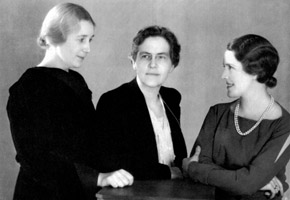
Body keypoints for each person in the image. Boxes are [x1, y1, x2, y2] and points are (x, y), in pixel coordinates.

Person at [6, 3, 133, 200]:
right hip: (43, 194)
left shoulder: (76, 81)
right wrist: (97, 178)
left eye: (90, 40)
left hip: (79, 191)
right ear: (55, 37)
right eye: (81, 39)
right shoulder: (28, 86)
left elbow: (93, 143)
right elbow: (35, 156)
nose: (88, 48)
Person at [182, 34, 290, 200]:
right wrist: (250, 181)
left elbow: (197, 168)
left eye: (230, 68)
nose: (223, 75)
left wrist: (192, 168)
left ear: (255, 71)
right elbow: (246, 183)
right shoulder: (216, 113)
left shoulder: (284, 125)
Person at [94, 25, 187, 180]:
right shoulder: (113, 101)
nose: (153, 64)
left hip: (173, 192)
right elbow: (109, 161)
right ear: (133, 61)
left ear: (172, 65)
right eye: (145, 56)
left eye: (161, 57)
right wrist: (168, 173)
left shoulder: (172, 98)